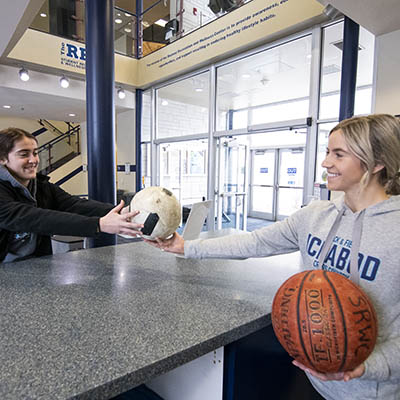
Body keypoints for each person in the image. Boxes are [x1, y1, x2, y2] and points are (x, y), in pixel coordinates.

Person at [146, 114, 400, 400]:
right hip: (312, 381)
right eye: (328, 152)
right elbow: (255, 243)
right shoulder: (316, 216)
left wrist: (367, 367)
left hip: (370, 391)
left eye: (338, 154)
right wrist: (186, 247)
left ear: (377, 163)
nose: (325, 162)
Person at [0, 127, 143, 263]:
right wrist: (98, 224)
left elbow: (73, 204)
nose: (33, 160)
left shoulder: (41, 186)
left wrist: (121, 211)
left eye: (35, 153)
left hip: (34, 264)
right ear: (2, 158)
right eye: (24, 154)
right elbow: (32, 218)